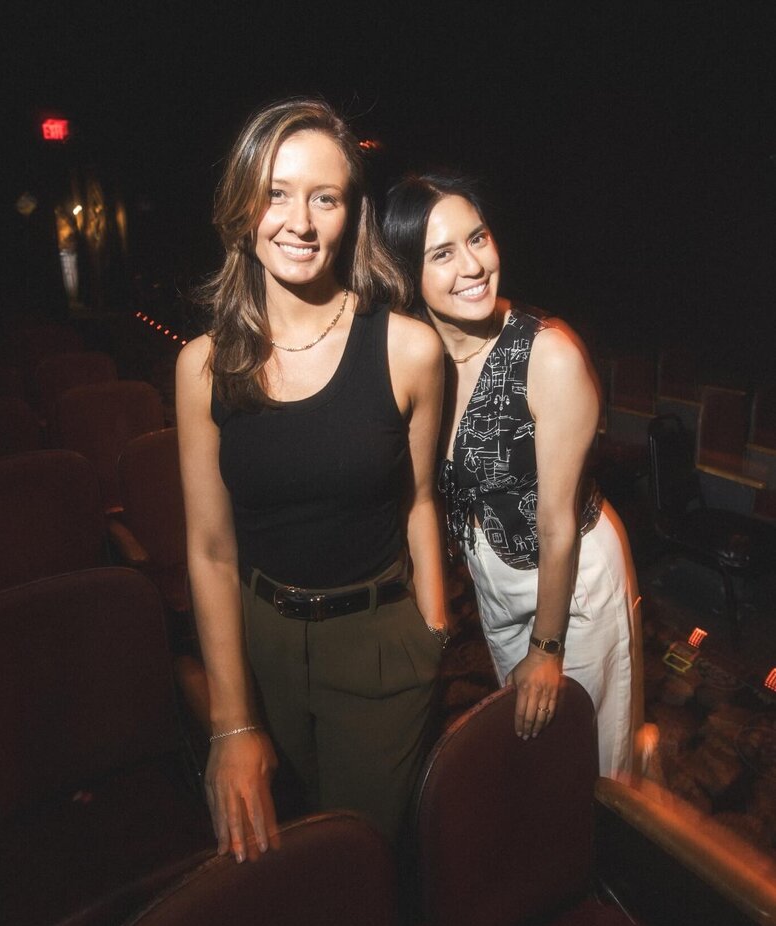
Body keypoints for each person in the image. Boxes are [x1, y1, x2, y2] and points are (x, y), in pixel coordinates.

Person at [175, 99, 447, 861]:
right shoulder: (203, 366)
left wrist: (432, 630)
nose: (299, 221)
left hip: (379, 644)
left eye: (324, 197)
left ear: (351, 215)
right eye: (276, 194)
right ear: (241, 210)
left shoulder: (408, 350)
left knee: (365, 858)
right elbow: (210, 551)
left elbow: (420, 501)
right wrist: (232, 722)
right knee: (283, 862)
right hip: (258, 645)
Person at [383, 174, 641, 777]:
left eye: (478, 238)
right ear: (407, 273)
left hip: (573, 578)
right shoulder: (420, 356)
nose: (473, 266)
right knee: (532, 747)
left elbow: (556, 524)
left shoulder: (549, 355)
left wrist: (547, 648)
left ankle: (635, 786)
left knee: (593, 760)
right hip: (493, 584)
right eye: (442, 253)